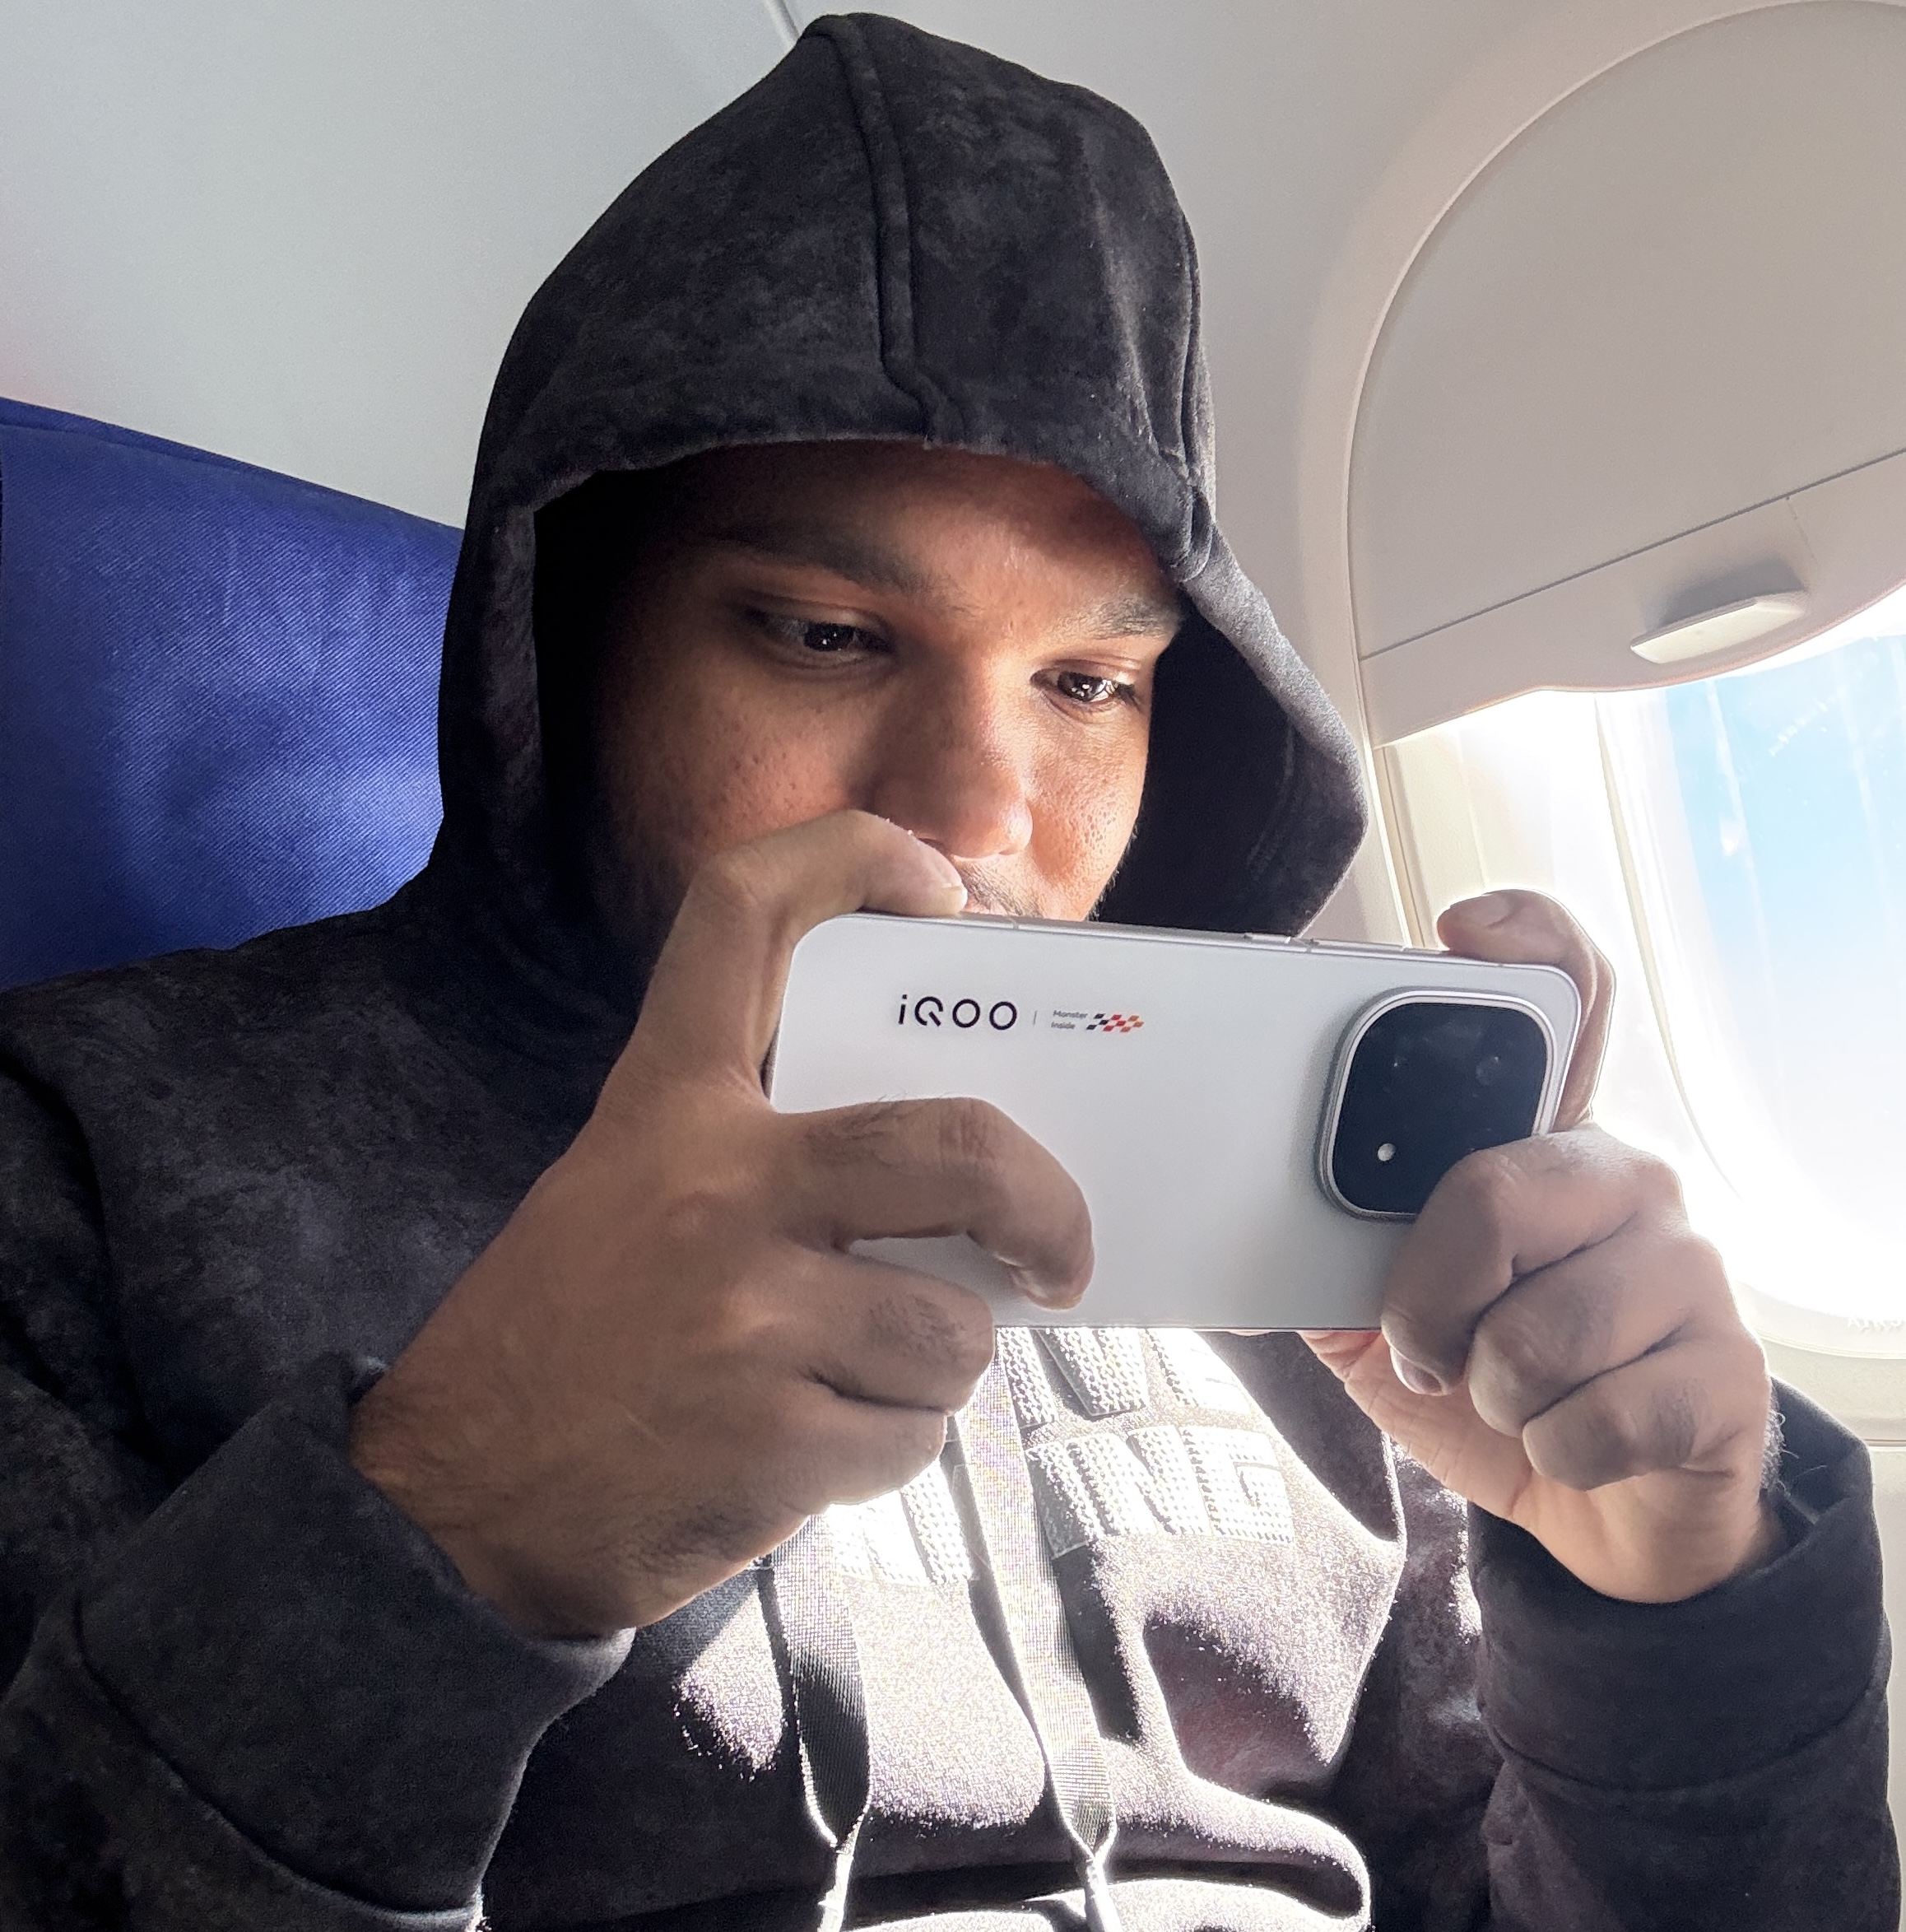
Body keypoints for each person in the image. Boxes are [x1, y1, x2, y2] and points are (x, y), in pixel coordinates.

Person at [0, 16, 1891, 1931]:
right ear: (563, 650)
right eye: (827, 635)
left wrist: (1676, 1625)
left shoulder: (1285, 1266)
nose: (981, 809)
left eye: (1087, 680)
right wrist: (458, 1525)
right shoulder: (96, 1152)